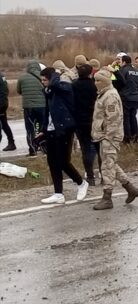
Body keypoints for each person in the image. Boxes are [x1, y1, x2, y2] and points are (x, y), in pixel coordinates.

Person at [91, 69, 138, 210]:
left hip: (110, 136)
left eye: (99, 80)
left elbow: (114, 119)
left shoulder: (110, 96)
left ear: (106, 81)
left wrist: (108, 136)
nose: (96, 83)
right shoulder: (103, 94)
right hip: (104, 135)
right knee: (111, 164)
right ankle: (130, 188)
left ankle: (107, 198)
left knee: (107, 166)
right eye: (95, 80)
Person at [39, 67, 89, 204]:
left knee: (63, 161)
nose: (42, 82)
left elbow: (55, 84)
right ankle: (58, 193)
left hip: (64, 129)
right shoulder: (48, 91)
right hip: (51, 129)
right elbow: (47, 110)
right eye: (41, 80)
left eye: (45, 80)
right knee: (52, 161)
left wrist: (55, 74)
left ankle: (81, 183)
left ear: (53, 78)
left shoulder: (64, 87)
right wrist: (43, 129)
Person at [72, 64, 99, 185]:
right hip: (94, 120)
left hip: (79, 122)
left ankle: (90, 176)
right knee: (99, 149)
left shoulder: (73, 85)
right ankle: (104, 176)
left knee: (85, 149)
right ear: (90, 73)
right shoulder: (95, 85)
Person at [17, 60, 46, 156]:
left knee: (30, 128)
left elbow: (19, 91)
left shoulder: (22, 77)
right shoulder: (43, 76)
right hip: (42, 106)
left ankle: (32, 149)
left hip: (28, 107)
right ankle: (44, 147)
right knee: (43, 127)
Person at [112, 55, 138, 143]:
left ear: (124, 62)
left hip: (126, 97)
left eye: (120, 61)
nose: (120, 63)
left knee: (126, 118)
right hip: (135, 97)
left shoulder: (123, 70)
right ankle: (135, 137)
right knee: (133, 117)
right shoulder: (136, 71)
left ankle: (127, 138)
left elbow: (118, 82)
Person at [0, 70, 15, 151]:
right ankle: (11, 142)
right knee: (4, 124)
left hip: (1, 103)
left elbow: (3, 91)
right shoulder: (2, 76)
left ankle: (11, 142)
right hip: (3, 102)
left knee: (4, 124)